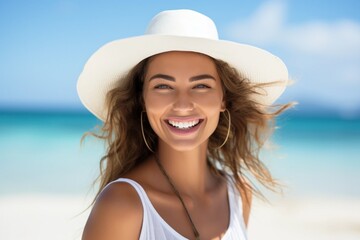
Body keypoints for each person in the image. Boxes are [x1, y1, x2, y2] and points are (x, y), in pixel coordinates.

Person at [77, 9, 291, 240]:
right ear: (143, 99)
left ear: (223, 99)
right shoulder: (122, 205)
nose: (182, 105)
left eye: (201, 86)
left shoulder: (238, 194)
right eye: (163, 86)